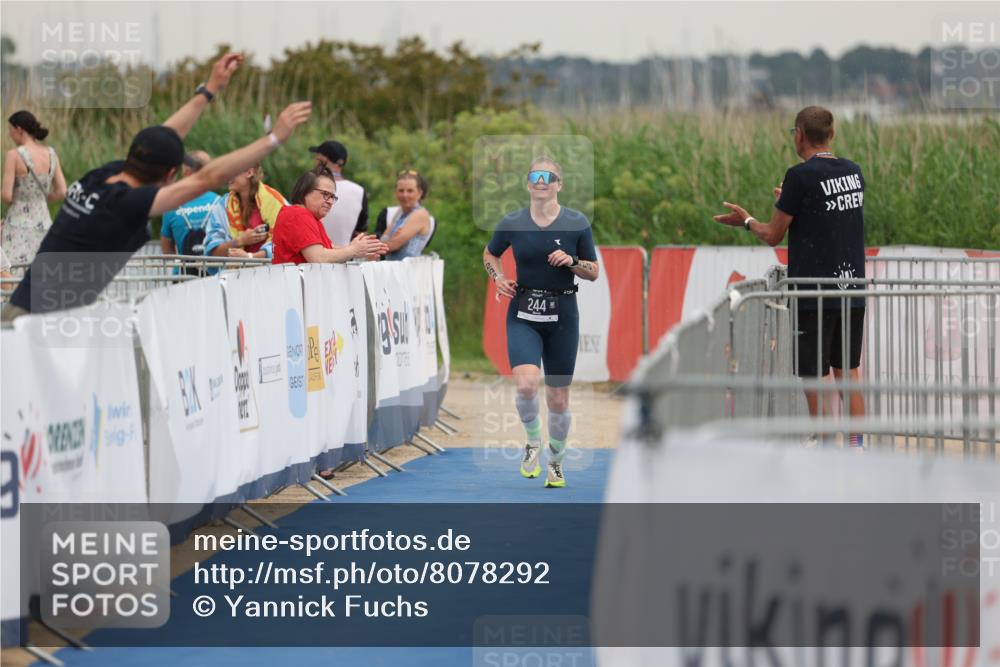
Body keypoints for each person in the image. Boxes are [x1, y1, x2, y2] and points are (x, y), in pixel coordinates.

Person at [2, 53, 312, 320]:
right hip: (40, 323)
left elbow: (161, 137)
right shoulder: (126, 204)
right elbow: (206, 177)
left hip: (25, 309)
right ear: (171, 174)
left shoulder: (99, 176)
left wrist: (210, 89)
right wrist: (274, 138)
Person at [713, 105, 866, 450]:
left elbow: (772, 235)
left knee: (815, 372)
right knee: (848, 372)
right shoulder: (853, 172)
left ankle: (825, 443)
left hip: (813, 291)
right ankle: (856, 445)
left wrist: (748, 220)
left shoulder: (800, 176)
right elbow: (827, 215)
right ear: (832, 134)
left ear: (799, 134)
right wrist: (792, 201)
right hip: (851, 286)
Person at [482, 157, 599, 488]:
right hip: (524, 312)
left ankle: (557, 461)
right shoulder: (513, 222)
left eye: (549, 176)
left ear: (559, 184)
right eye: (535, 175)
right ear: (528, 183)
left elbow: (594, 272)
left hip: (563, 312)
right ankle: (533, 440)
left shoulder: (577, 223)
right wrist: (498, 277)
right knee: (526, 385)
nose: (542, 181)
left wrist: (573, 261)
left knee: (559, 399)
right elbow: (490, 254)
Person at [271, 170, 387, 265]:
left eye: (332, 197)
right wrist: (353, 250)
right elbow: (318, 257)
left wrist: (361, 250)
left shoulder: (307, 217)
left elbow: (329, 249)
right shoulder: (300, 215)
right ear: (304, 191)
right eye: (325, 194)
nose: (330, 201)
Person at [1, 110, 67, 265]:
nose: (10, 135)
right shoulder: (51, 153)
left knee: (15, 271)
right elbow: (62, 191)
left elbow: (6, 196)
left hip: (17, 225)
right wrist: (40, 199)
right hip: (43, 222)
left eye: (10, 130)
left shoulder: (14, 155)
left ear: (19, 129)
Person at [203, 164, 287, 260]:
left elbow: (287, 241)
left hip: (272, 272)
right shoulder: (222, 206)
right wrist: (239, 241)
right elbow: (212, 254)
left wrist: (250, 257)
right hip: (234, 273)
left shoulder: (275, 200)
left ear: (249, 172)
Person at [308, 140, 369, 245]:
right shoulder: (359, 191)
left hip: (311, 255)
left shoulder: (310, 185)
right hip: (346, 257)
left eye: (316, 157)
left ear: (322, 159)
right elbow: (362, 233)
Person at [159, 151, 217, 262]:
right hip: (216, 276)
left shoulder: (171, 205)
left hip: (183, 276)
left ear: (187, 173)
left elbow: (167, 252)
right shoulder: (221, 202)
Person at [380, 170, 435, 260]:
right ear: (396, 192)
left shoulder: (420, 214)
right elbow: (384, 239)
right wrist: (387, 242)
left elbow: (394, 244)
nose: (405, 195)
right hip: (391, 268)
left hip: (407, 271)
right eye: (401, 191)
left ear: (420, 193)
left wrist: (371, 249)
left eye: (410, 191)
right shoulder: (399, 212)